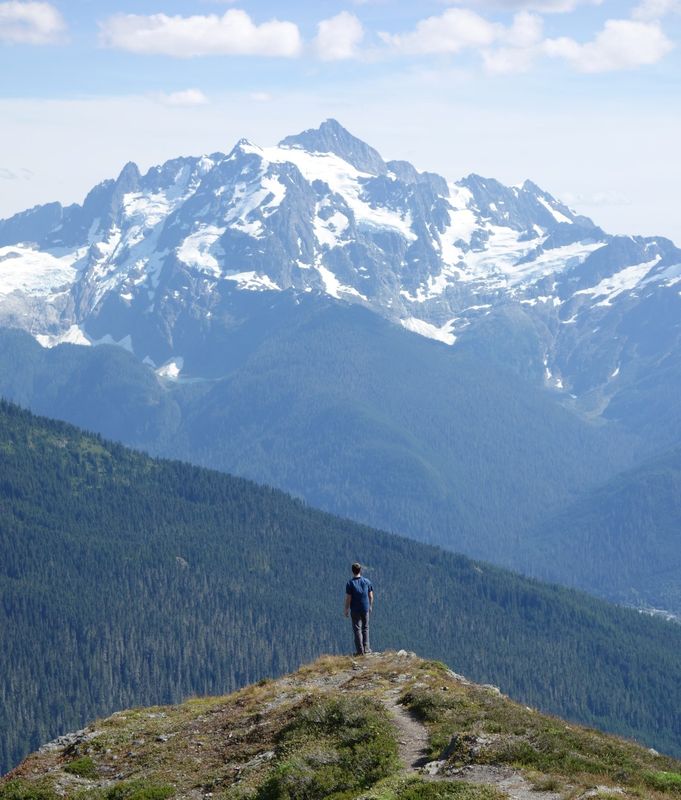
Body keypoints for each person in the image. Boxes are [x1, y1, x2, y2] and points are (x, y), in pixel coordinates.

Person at [344, 562, 374, 655]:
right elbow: (371, 596)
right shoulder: (367, 581)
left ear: (352, 571)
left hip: (355, 610)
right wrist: (370, 606)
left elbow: (349, 598)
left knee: (357, 629)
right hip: (365, 608)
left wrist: (346, 609)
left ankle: (360, 651)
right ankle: (367, 648)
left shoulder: (350, 583)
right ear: (360, 570)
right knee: (365, 628)